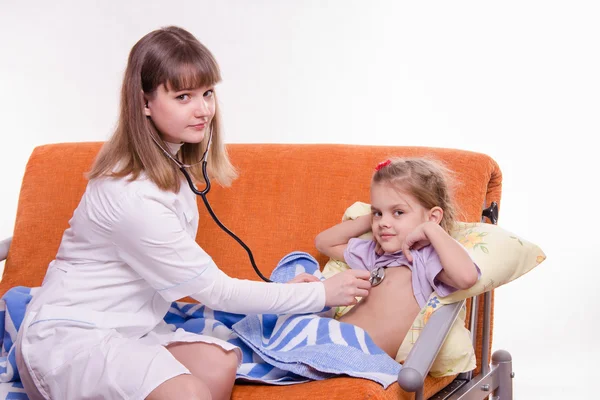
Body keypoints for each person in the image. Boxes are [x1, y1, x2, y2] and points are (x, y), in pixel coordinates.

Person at [14, 26, 372, 400]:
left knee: (219, 364)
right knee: (189, 392)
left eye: (207, 93)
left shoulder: (172, 164)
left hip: (127, 329)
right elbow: (214, 290)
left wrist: (282, 290)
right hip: (70, 340)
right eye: (183, 96)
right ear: (144, 103)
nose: (203, 110)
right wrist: (321, 296)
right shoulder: (132, 196)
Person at [315, 157, 480, 358]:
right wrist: (373, 218)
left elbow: (467, 277)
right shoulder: (377, 254)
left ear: (432, 217)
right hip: (330, 338)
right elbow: (324, 243)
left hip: (358, 353)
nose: (384, 222)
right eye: (378, 213)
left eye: (398, 212)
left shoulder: (427, 259)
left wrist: (431, 230)